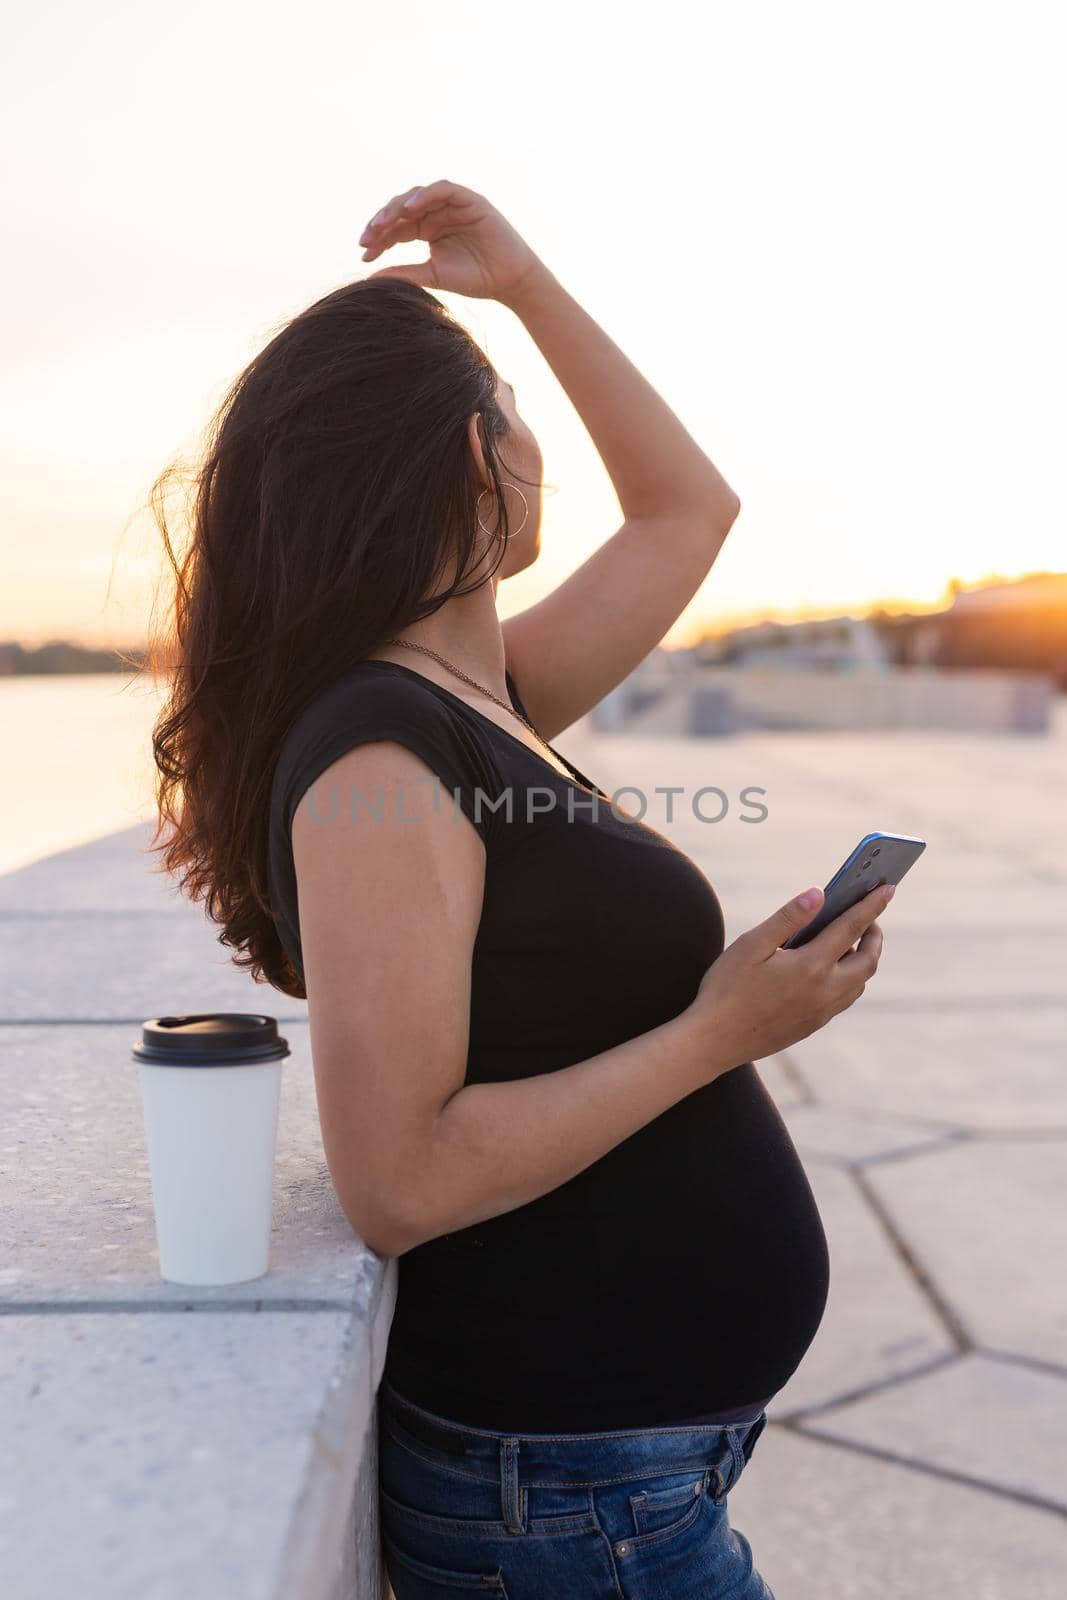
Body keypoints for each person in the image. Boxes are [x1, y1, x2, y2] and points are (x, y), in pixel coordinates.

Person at [148, 180, 890, 1599]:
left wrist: (527, 283)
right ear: (476, 455)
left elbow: (689, 509)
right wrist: (722, 1030)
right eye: (518, 411)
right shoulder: (380, 745)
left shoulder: (482, 693)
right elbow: (399, 1179)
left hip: (612, 1480)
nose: (545, 451)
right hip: (562, 1495)